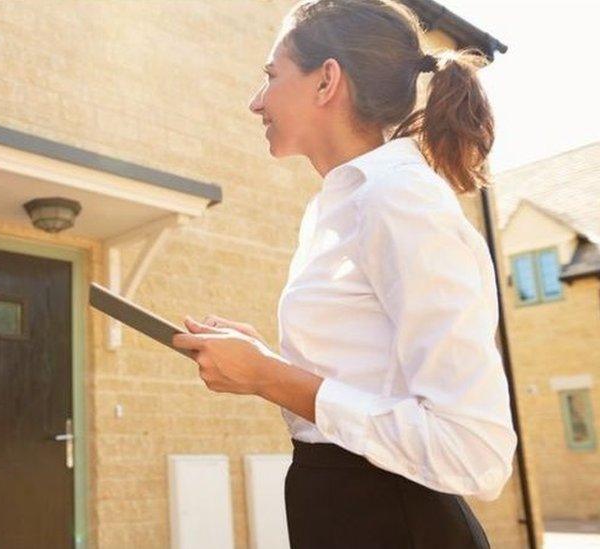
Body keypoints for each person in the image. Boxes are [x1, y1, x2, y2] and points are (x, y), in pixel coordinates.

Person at [171, 1, 517, 547]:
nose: (255, 101)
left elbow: (475, 451)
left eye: (270, 76)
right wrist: (269, 365)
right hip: (341, 511)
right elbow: (364, 384)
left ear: (326, 80)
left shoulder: (396, 202)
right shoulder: (339, 206)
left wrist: (270, 376)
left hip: (394, 524)